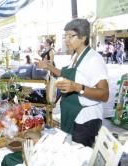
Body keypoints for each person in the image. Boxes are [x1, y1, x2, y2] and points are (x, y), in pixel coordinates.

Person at [36, 19, 109, 147]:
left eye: (71, 36)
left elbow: (104, 94)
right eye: (65, 36)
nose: (67, 40)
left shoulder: (94, 59)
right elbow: (66, 74)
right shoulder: (75, 56)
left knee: (79, 157)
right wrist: (49, 67)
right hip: (71, 115)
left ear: (83, 37)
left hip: (85, 120)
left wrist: (77, 87)